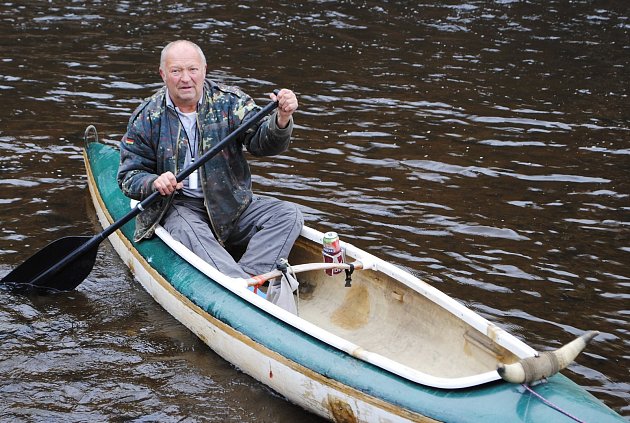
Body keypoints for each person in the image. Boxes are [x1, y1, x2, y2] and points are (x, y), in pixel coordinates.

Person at [117, 40, 303, 281]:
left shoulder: (230, 102)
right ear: (163, 74)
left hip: (231, 205)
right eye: (176, 71)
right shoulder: (147, 117)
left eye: (192, 70)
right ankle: (237, 285)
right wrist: (154, 182)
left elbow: (262, 144)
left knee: (289, 214)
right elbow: (129, 177)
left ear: (204, 70)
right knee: (187, 229)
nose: (186, 78)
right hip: (178, 207)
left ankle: (251, 277)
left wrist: (282, 119)